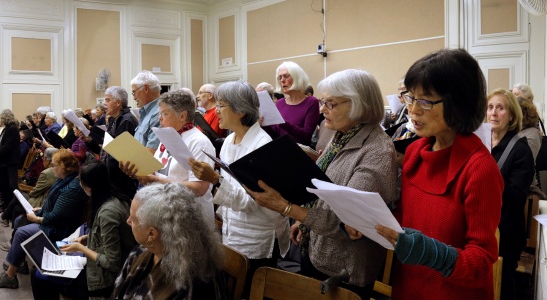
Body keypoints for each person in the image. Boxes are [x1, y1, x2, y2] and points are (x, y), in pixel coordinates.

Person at [243, 70, 400, 298]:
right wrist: (302, 220)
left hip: (345, 267)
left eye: (330, 104)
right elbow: (326, 186)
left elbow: (348, 222)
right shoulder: (341, 135)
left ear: (358, 105)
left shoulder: (377, 151)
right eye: (323, 102)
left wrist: (286, 208)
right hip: (318, 248)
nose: (321, 109)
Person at [374, 48, 504, 299]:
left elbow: (481, 262)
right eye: (410, 98)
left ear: (459, 104)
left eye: (425, 101)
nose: (412, 110)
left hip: (452, 292)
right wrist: (366, 222)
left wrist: (428, 252)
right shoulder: (414, 152)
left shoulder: (479, 168)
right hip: (409, 287)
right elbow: (406, 220)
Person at [188, 81, 289, 294]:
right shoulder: (229, 141)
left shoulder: (261, 145)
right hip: (232, 230)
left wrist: (215, 180)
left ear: (241, 111)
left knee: (250, 289)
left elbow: (253, 200)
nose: (216, 110)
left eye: (221, 105)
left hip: (256, 235)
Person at [32, 161, 137, 299]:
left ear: (90, 187)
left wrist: (80, 248)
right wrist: (87, 238)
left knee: (39, 276)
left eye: (81, 182)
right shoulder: (113, 199)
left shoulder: (108, 212)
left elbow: (112, 263)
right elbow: (111, 237)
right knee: (39, 271)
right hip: (99, 264)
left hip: (104, 278)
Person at [0, 149, 86, 289]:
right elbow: (54, 207)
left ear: (63, 167)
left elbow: (56, 217)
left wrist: (37, 219)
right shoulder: (65, 180)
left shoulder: (71, 189)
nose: (52, 168)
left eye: (54, 165)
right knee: (18, 221)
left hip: (60, 231)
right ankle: (18, 261)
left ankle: (10, 276)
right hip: (56, 223)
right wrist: (39, 210)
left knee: (22, 232)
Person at [112, 183, 225, 299]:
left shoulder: (191, 284)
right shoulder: (140, 252)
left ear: (151, 234)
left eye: (133, 219)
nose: (128, 221)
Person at [121, 89, 216, 223]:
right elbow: (157, 171)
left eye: (164, 114)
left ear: (182, 116)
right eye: (159, 113)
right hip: (167, 210)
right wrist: (137, 171)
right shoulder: (167, 136)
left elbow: (199, 188)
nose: (159, 118)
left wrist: (153, 180)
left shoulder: (199, 142)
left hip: (191, 218)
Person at [487, 89, 534, 300]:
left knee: (502, 286)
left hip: (505, 233)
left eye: (500, 108)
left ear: (512, 115)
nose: (494, 113)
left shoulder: (520, 150)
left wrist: (489, 174)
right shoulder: (482, 142)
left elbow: (515, 200)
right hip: (482, 225)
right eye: (490, 107)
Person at [87, 86, 139, 202]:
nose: (104, 103)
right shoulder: (114, 119)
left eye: (107, 100)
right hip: (113, 179)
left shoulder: (126, 120)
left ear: (118, 103)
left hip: (120, 182)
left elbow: (120, 154)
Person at [264, 61, 321, 145]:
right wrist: (264, 125)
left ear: (297, 77)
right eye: (280, 77)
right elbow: (276, 135)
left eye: (286, 76)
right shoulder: (280, 103)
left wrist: (284, 123)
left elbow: (305, 136)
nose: (282, 80)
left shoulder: (312, 102)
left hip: (299, 153)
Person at [0, 109, 22, 218]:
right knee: (4, 184)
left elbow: (8, 146)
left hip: (10, 161)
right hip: (5, 161)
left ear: (5, 118)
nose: (0, 120)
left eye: (1, 117)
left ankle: (13, 208)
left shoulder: (13, 129)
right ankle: (6, 205)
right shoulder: (7, 128)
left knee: (12, 185)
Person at [517, 97, 545, 196]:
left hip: (527, 190)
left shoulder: (532, 134)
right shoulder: (517, 131)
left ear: (523, 114)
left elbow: (523, 164)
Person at [131, 71, 162, 150]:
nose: (134, 98)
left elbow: (152, 151)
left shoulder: (158, 113)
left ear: (145, 88)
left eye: (134, 92)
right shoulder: (146, 111)